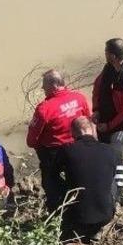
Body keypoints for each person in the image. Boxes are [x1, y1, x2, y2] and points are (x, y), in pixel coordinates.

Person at [26, 70, 91, 213]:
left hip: (55, 153)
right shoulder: (80, 98)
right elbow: (88, 123)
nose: (43, 88)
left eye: (44, 85)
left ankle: (56, 210)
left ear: (54, 85)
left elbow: (31, 141)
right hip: (79, 148)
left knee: (49, 181)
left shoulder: (45, 108)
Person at [59, 117, 123, 243]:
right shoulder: (113, 151)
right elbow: (120, 182)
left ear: (73, 133)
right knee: (113, 179)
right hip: (106, 215)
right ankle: (97, 229)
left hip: (76, 216)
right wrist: (114, 200)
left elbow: (52, 175)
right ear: (93, 129)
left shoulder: (66, 150)